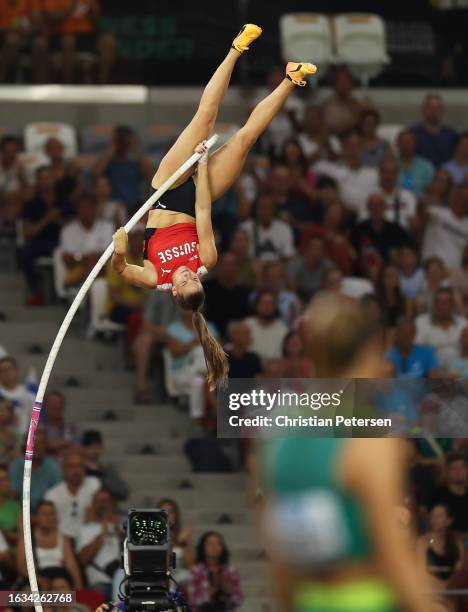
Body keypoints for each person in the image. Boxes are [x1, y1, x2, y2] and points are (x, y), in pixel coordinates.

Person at [111, 24, 316, 389]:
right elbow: (203, 211)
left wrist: (119, 250)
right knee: (246, 139)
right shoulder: (206, 259)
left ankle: (236, 48)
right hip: (195, 199)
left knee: (204, 120)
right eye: (193, 279)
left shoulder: (155, 277)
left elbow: (122, 270)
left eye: (184, 280)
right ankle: (289, 78)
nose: (188, 274)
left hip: (166, 189)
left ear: (174, 291)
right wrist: (203, 164)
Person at [260, 293, 436, 612]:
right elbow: (393, 558)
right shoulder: (369, 442)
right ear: (369, 351)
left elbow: (280, 562)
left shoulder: (279, 435)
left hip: (308, 600)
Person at [20, 165, 69, 305]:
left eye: (48, 178)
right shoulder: (31, 204)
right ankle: (36, 291)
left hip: (63, 243)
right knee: (25, 252)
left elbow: (74, 227)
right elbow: (26, 232)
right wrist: (46, 219)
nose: (46, 181)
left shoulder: (64, 202)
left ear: (53, 179)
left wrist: (58, 220)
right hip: (40, 243)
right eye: (42, 179)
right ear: (37, 182)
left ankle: (68, 292)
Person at [17, 500, 83, 590]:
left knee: (59, 585)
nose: (48, 517)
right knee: (27, 595)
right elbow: (21, 566)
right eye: (44, 514)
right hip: (35, 575)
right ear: (36, 517)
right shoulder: (27, 538)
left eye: (51, 514)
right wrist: (38, 580)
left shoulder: (63, 539)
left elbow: (71, 564)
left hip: (59, 575)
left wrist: (78, 584)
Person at [314, 131, 379, 219]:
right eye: (350, 145)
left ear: (363, 148)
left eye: (357, 145)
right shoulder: (331, 169)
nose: (353, 149)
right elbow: (307, 169)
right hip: (344, 219)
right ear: (343, 148)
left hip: (369, 220)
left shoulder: (374, 173)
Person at [132, 291, 179, 404]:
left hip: (183, 332)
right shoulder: (156, 293)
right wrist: (166, 333)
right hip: (159, 333)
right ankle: (142, 387)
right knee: (145, 341)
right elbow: (147, 323)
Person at [92, 126, 153, 211]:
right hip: (113, 206)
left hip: (134, 206)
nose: (122, 143)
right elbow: (95, 172)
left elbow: (150, 175)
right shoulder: (109, 163)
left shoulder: (135, 163)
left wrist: (135, 149)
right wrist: (111, 149)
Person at [60, 192, 114, 287]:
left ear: (95, 208)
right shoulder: (68, 230)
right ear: (77, 210)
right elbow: (67, 258)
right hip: (78, 271)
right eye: (82, 207)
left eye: (89, 207)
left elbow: (112, 255)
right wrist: (86, 258)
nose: (85, 210)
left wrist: (83, 258)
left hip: (102, 273)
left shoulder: (108, 227)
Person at [45, 450, 101, 539]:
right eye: (71, 466)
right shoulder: (52, 494)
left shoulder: (95, 485)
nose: (76, 471)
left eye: (79, 466)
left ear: (84, 468)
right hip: (62, 542)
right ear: (63, 469)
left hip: (89, 540)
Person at [77, 488, 121, 599]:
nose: (103, 505)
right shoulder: (85, 529)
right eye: (99, 501)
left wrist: (120, 533)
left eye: (106, 501)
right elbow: (83, 559)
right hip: (100, 582)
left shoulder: (119, 528)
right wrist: (102, 534)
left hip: (122, 579)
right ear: (93, 504)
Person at [186, 531, 243, 612]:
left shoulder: (230, 571)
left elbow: (238, 600)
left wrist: (229, 591)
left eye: (218, 544)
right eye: (209, 544)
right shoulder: (196, 571)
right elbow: (191, 600)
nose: (214, 547)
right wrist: (210, 592)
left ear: (222, 547)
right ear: (203, 547)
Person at [9, 428, 62, 510]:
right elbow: (12, 495)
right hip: (20, 511)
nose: (37, 447)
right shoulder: (16, 466)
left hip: (46, 512)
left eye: (41, 443)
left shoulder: (54, 468)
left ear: (46, 445)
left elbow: (58, 495)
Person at [415, 287, 467, 367]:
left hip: (461, 372)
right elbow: (416, 351)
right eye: (438, 302)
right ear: (433, 304)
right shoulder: (421, 322)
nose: (441, 306)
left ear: (452, 305)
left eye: (445, 302)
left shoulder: (463, 323)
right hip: (432, 372)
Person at [202, 252, 250, 339]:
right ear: (218, 266)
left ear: (237, 268)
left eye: (232, 265)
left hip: (238, 338)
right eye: (225, 264)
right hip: (211, 335)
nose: (229, 268)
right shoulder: (206, 288)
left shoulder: (244, 292)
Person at [421, 184, 468, 271]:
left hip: (454, 274)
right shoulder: (437, 212)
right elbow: (421, 216)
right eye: (460, 196)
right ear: (454, 196)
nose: (463, 200)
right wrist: (423, 202)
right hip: (430, 269)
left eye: (466, 198)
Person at [240, 192, 296, 261]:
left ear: (274, 209)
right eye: (262, 207)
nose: (265, 211)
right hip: (252, 268)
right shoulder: (245, 228)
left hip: (276, 268)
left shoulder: (285, 229)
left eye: (268, 207)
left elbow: (288, 256)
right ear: (256, 209)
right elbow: (240, 256)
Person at [417, 504, 463, 586]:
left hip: (452, 591)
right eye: (432, 515)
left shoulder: (457, 544)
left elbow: (460, 572)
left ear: (449, 520)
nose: (434, 519)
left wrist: (448, 585)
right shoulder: (423, 542)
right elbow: (420, 572)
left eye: (439, 516)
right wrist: (440, 585)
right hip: (430, 590)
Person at [410, 94, 458, 168]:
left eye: (437, 108)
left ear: (442, 111)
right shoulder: (412, 134)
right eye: (430, 108)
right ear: (423, 110)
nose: (433, 112)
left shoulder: (452, 135)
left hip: (446, 175)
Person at [81, 430, 129, 502]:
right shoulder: (78, 470)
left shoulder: (108, 470)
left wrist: (102, 482)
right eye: (91, 447)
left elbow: (124, 492)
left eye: (98, 446)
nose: (95, 450)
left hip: (106, 509)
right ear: (84, 448)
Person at [157, 498, 195, 586]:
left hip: (179, 575)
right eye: (163, 511)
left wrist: (187, 542)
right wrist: (177, 541)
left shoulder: (182, 534)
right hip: (159, 573)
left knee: (191, 575)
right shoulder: (151, 535)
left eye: (170, 512)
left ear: (175, 515)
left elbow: (191, 565)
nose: (167, 515)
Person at [242, 290, 288, 363]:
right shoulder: (246, 325)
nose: (267, 306)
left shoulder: (283, 329)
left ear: (275, 307)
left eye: (270, 303)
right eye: (263, 303)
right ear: (256, 305)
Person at [429, 454, 468, 537]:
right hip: (445, 540)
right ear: (447, 471)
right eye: (453, 468)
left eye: (461, 468)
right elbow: (431, 520)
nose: (458, 472)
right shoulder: (438, 494)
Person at [288, 237, 332, 304]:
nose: (317, 251)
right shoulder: (295, 264)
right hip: (299, 297)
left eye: (320, 248)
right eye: (314, 247)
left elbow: (330, 287)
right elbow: (291, 289)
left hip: (319, 299)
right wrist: (301, 304)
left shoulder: (327, 266)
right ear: (307, 248)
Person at [377, 157, 417, 231]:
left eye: (392, 172)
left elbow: (412, 220)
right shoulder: (371, 196)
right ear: (380, 173)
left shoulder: (408, 195)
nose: (389, 176)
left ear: (397, 174)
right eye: (386, 172)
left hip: (402, 236)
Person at [321, 67, 361, 137]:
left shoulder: (357, 105)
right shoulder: (327, 104)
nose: (343, 85)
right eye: (341, 81)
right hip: (331, 138)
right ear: (335, 84)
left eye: (346, 81)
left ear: (351, 84)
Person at [0, 356, 35, 434]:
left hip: (23, 438)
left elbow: (35, 420)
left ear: (16, 371)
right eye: (1, 370)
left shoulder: (29, 396)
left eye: (8, 369)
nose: (5, 373)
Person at [42, 390, 80, 458]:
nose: (55, 406)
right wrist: (67, 443)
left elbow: (77, 449)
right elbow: (41, 447)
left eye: (58, 403)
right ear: (45, 406)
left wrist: (52, 448)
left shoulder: (73, 428)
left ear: (63, 406)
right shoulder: (38, 428)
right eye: (52, 403)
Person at [397, 130, 435, 197]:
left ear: (415, 144)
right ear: (398, 144)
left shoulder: (426, 166)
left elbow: (432, 190)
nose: (407, 145)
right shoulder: (390, 165)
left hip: (420, 203)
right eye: (404, 142)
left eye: (409, 142)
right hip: (396, 202)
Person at [0, 467, 21, 549]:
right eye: (1, 480)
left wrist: (3, 533)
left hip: (12, 553)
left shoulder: (16, 507)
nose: (5, 483)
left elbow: (23, 537)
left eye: (6, 479)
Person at [0, 397, 21, 464]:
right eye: (0, 410)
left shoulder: (15, 434)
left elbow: (18, 454)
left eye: (6, 411)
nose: (2, 413)